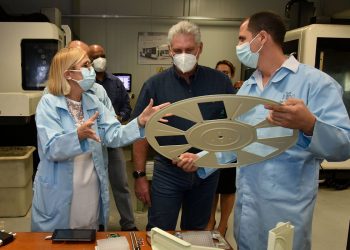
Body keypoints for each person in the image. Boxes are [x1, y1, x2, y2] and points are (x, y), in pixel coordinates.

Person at [176, 11, 350, 250]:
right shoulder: (248, 88)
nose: (238, 46)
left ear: (262, 38)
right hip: (247, 211)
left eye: (241, 38)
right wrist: (201, 160)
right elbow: (238, 142)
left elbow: (343, 147)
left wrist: (308, 124)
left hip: (286, 212)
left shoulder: (315, 84)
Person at [31, 47, 169, 232]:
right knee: (56, 239)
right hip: (58, 193)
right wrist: (78, 135)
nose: (92, 69)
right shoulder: (49, 104)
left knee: (89, 234)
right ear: (69, 74)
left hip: (89, 190)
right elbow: (51, 149)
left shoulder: (92, 101)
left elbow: (114, 134)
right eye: (86, 65)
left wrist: (140, 123)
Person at [131, 20, 235, 231]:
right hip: (168, 172)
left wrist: (204, 158)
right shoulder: (155, 85)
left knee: (196, 232)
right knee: (159, 231)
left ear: (200, 48)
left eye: (189, 49)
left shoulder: (220, 83)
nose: (183, 55)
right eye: (178, 50)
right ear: (169, 50)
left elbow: (231, 128)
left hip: (206, 172)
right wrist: (140, 176)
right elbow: (139, 133)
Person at [88, 44, 137, 231]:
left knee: (121, 184)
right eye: (95, 56)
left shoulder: (116, 82)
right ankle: (98, 224)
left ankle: (129, 223)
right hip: (93, 141)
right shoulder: (87, 86)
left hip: (113, 140)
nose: (100, 59)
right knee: (93, 186)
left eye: (102, 55)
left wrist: (120, 117)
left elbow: (126, 106)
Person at [205, 60, 236, 237]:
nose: (222, 75)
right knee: (212, 187)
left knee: (227, 188)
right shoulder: (210, 96)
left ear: (232, 75)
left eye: (226, 72)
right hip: (212, 146)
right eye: (219, 72)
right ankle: (210, 220)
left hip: (231, 148)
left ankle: (223, 225)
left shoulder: (237, 95)